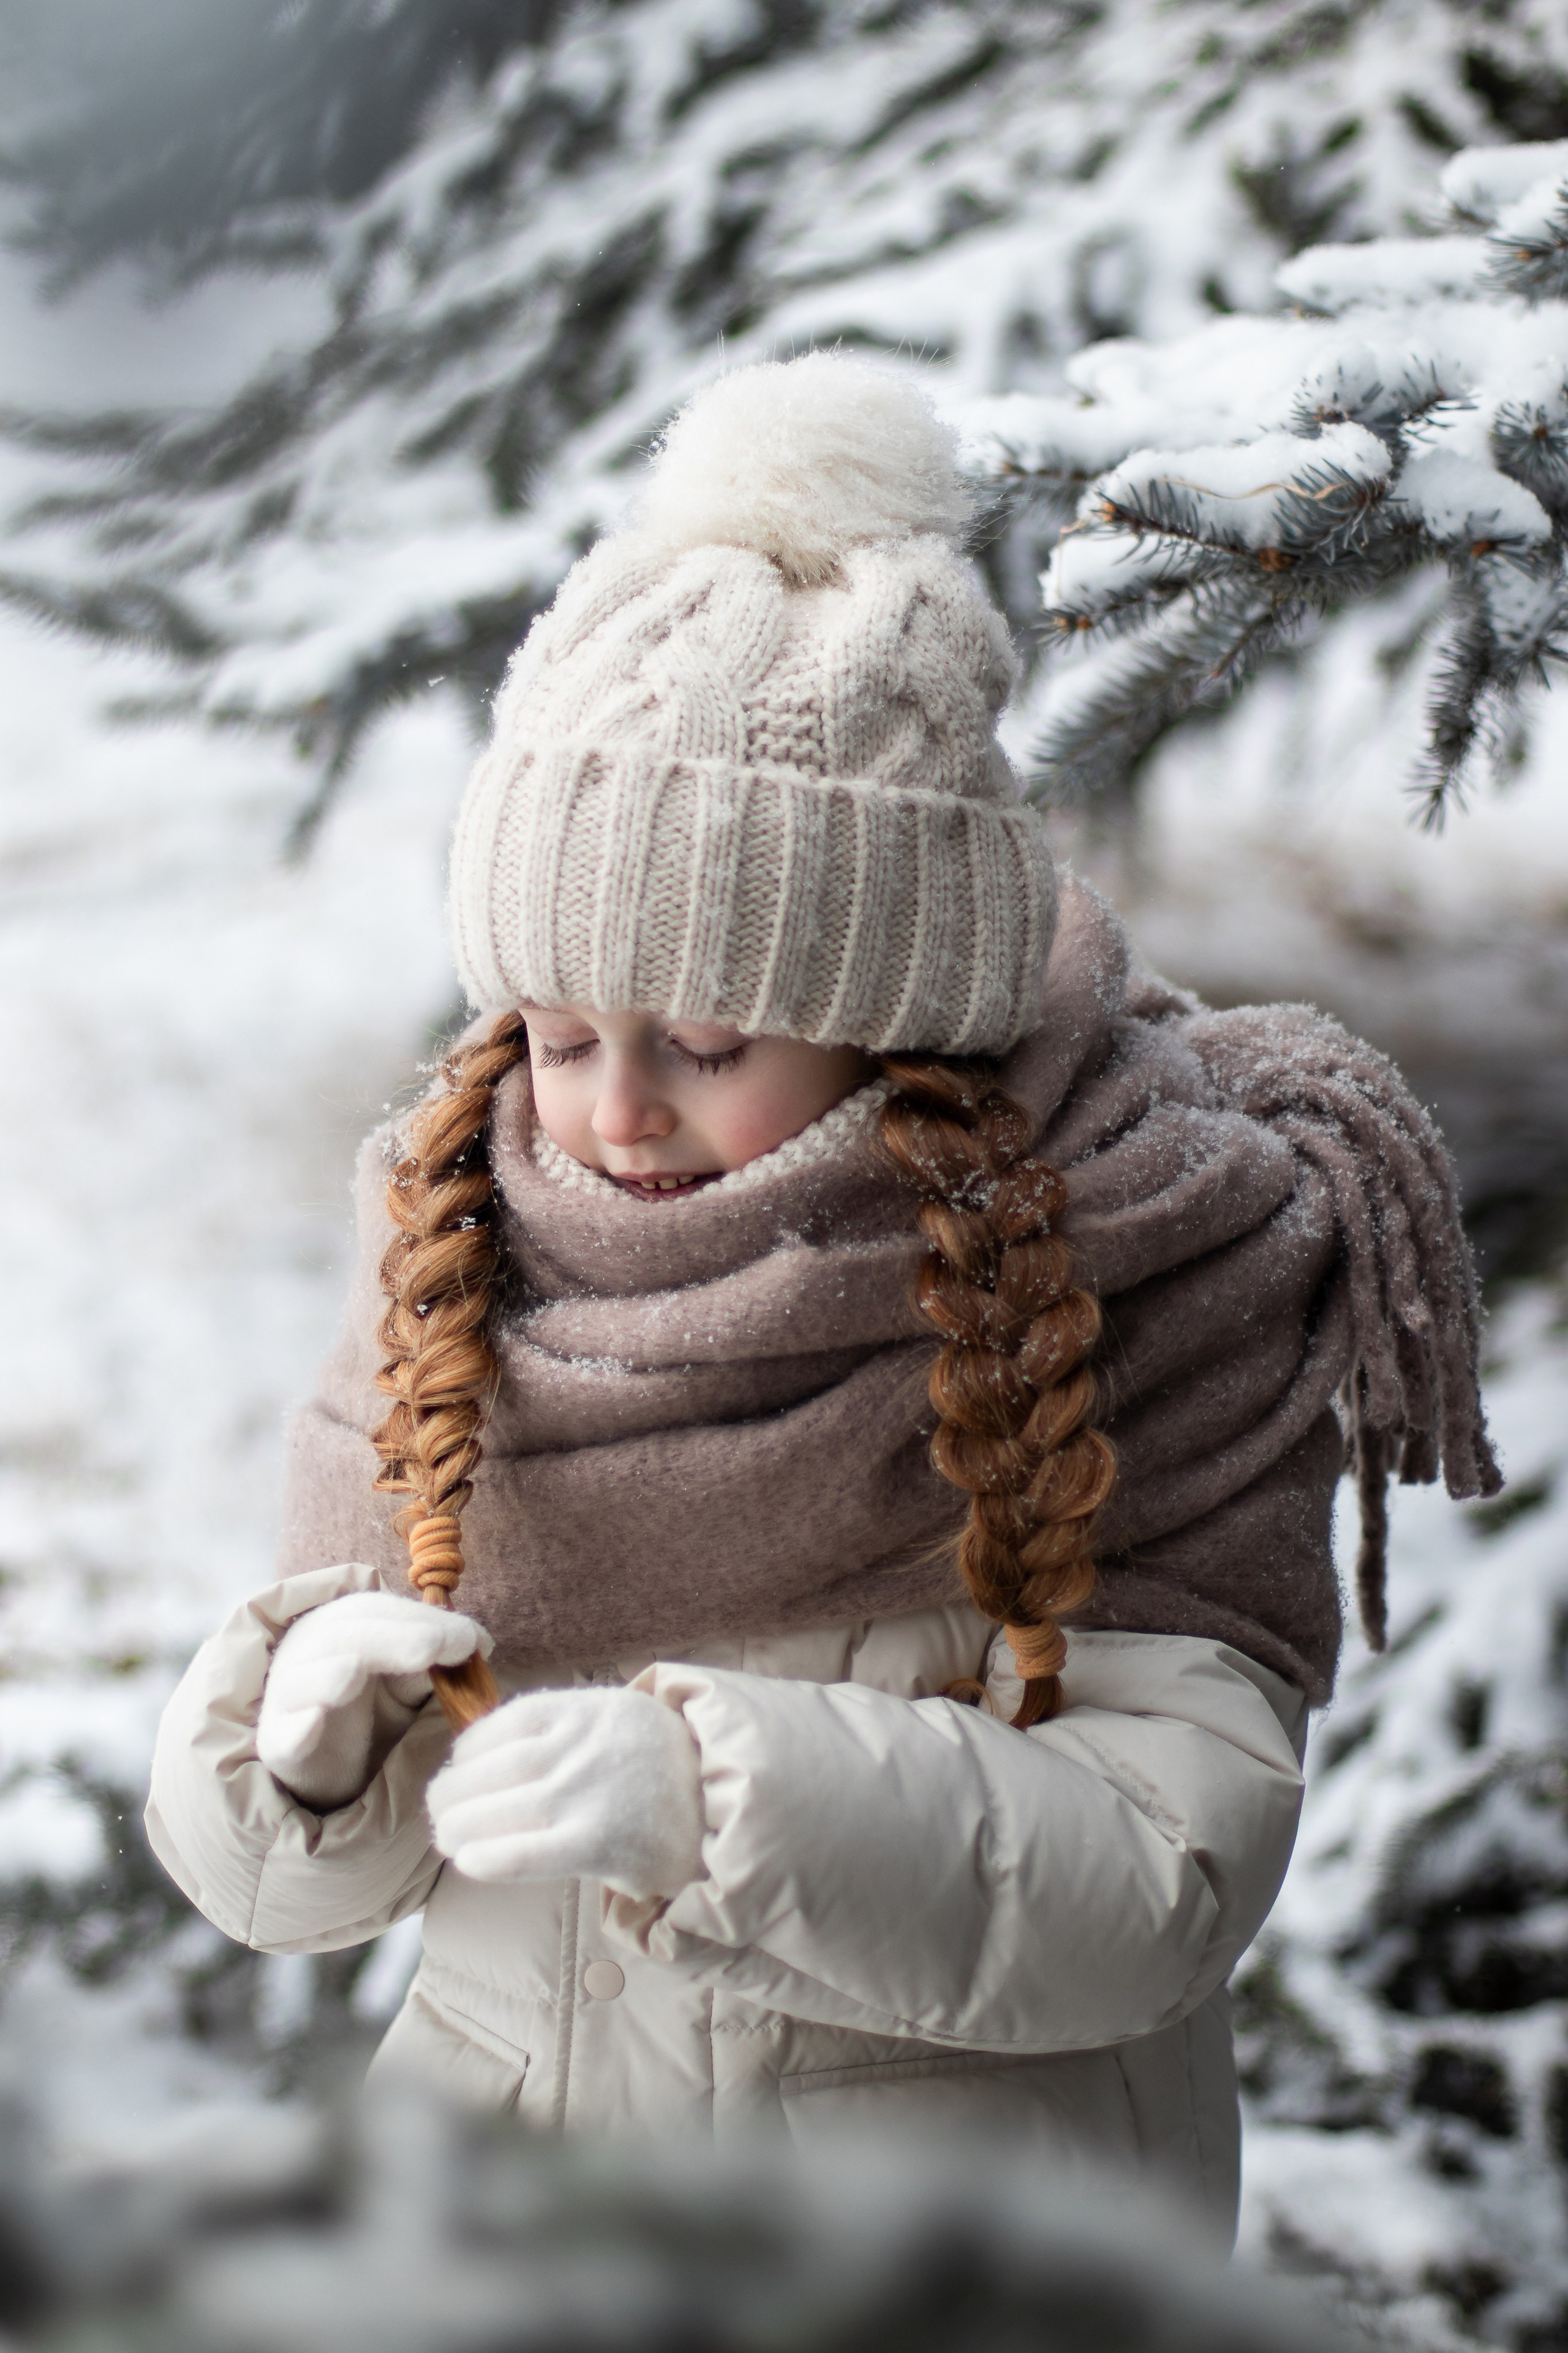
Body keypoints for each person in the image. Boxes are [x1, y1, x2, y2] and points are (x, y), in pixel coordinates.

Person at [146, 352, 1497, 2230]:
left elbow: (1167, 1868)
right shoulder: (467, 1266)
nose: (617, 1110)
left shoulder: (1109, 1279)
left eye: (706, 1038)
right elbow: (305, 1887)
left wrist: (718, 1801)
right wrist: (289, 1756)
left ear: (893, 1015)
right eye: (556, 1031)